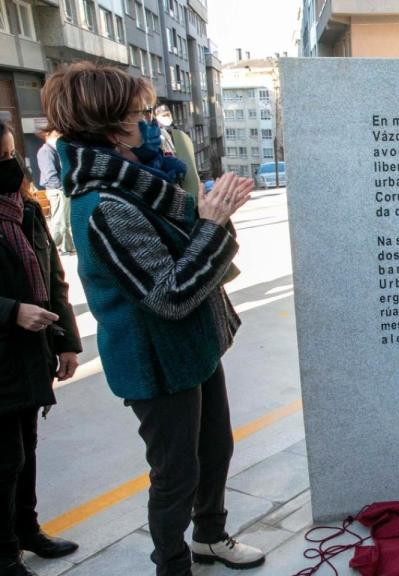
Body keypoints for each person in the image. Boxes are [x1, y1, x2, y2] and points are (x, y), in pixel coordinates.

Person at [41, 62, 264, 576]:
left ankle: (210, 537)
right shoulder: (104, 203)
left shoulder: (141, 180)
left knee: (216, 450)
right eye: (143, 113)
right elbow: (169, 296)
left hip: (193, 349)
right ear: (112, 125)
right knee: (175, 473)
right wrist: (212, 224)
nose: (153, 122)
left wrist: (209, 220)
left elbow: (188, 260)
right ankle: (172, 564)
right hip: (156, 363)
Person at [0, 119, 82, 576]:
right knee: (4, 458)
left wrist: (67, 342)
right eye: (0, 158)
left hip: (29, 353)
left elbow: (53, 279)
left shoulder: (25, 210)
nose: (10, 165)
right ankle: (4, 551)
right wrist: (11, 310)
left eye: (12, 154)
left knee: (26, 450)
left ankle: (27, 530)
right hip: (5, 350)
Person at [34, 131, 74, 255]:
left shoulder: (52, 150)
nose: (59, 137)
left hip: (60, 189)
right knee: (59, 221)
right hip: (57, 190)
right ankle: (56, 247)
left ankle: (66, 247)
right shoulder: (46, 151)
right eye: (56, 135)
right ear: (48, 136)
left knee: (65, 221)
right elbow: (50, 175)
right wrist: (62, 187)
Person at [155, 104, 203, 200]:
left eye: (168, 114)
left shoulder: (173, 132)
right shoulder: (157, 135)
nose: (167, 117)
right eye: (163, 115)